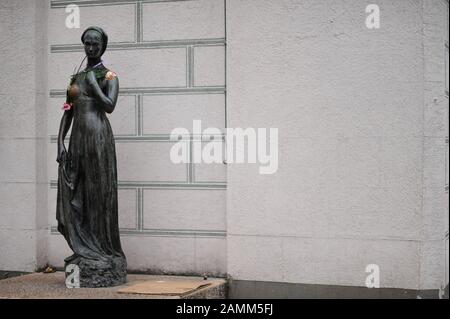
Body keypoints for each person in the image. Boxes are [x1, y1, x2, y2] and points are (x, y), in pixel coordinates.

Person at [56, 26, 126, 287]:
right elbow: (67, 111)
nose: (90, 48)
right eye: (87, 43)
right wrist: (59, 143)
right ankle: (82, 244)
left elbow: (109, 106)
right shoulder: (74, 78)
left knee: (99, 193)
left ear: (103, 46)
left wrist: (95, 85)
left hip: (98, 139)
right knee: (78, 193)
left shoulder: (109, 75)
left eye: (95, 43)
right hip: (77, 141)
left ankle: (103, 249)